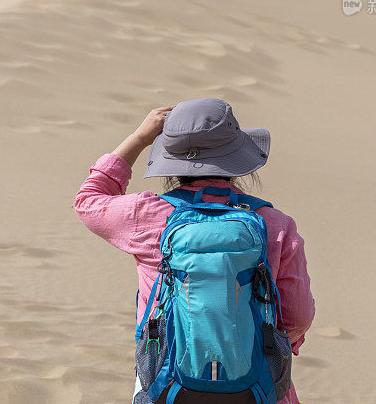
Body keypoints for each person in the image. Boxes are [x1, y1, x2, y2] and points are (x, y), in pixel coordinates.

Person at [73, 98, 315, 404]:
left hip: (167, 384)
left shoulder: (147, 214)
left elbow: (88, 199)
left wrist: (139, 138)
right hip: (256, 387)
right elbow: (297, 316)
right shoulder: (275, 224)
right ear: (238, 159)